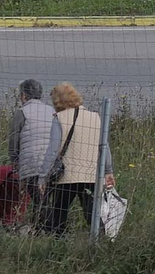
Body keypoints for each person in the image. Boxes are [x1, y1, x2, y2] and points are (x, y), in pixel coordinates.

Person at [42, 82, 112, 235]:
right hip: (90, 174)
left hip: (67, 176)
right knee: (92, 213)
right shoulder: (95, 117)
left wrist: (43, 176)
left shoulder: (59, 118)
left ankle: (58, 242)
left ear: (57, 100)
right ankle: (100, 240)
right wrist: (108, 170)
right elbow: (104, 147)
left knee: (59, 213)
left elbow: (53, 150)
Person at [7, 78, 62, 225]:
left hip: (31, 163)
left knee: (40, 201)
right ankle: (40, 231)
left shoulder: (22, 112)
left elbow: (13, 141)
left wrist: (15, 162)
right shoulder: (52, 111)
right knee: (43, 200)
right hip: (51, 163)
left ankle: (52, 231)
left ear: (24, 96)